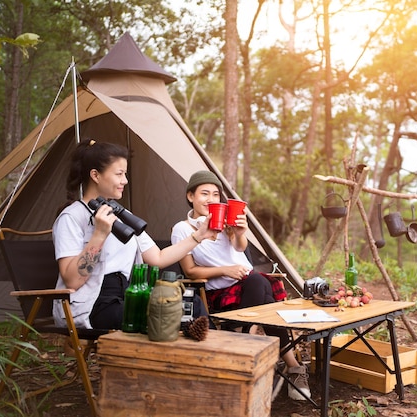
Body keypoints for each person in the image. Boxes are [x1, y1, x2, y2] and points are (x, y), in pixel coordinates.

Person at [171, 170, 311, 401]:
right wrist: (225, 270)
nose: (211, 199)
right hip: (219, 292)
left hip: (249, 287)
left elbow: (239, 249)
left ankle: (249, 343)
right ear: (190, 196)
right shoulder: (183, 229)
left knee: (258, 283)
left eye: (216, 194)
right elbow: (190, 271)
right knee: (261, 289)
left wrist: (240, 232)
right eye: (204, 193)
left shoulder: (226, 222)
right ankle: (292, 367)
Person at [52, 140, 217, 330]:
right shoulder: (71, 217)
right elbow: (72, 280)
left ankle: (217, 356)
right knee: (164, 315)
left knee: (192, 305)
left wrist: (199, 236)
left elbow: (158, 258)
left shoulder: (121, 215)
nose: (125, 181)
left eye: (125, 174)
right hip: (93, 304)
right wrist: (99, 234)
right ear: (95, 175)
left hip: (128, 296)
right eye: (119, 174)